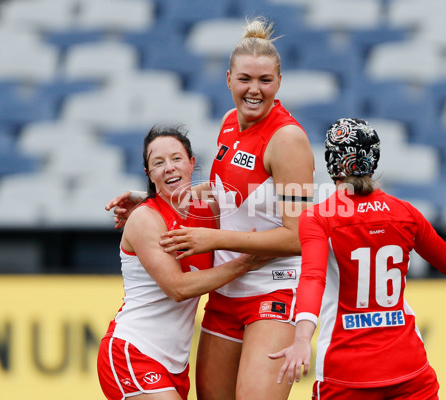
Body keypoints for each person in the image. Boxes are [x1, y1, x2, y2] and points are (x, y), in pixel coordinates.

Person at [105, 17, 315, 400]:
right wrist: (157, 199)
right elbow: (226, 193)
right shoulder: (229, 123)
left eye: (265, 80)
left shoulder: (288, 140)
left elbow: (300, 237)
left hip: (274, 289)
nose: (254, 90)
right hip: (226, 292)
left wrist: (213, 238)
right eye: (245, 79)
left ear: (280, 82)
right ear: (228, 79)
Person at [269, 118, 446, 399]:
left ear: (331, 160)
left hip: (346, 373)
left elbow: (313, 278)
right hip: (410, 370)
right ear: (374, 158)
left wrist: (302, 338)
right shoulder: (406, 212)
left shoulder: (318, 217)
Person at [97, 126, 270, 400]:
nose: (168, 167)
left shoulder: (207, 212)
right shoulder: (145, 219)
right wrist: (244, 264)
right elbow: (177, 288)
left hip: (174, 365)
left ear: (191, 163)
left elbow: (228, 190)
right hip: (133, 352)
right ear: (149, 174)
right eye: (158, 163)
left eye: (176, 158)